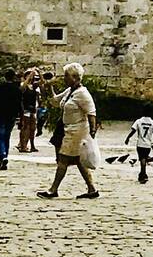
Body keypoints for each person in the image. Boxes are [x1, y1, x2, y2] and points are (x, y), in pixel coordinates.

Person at [37, 62, 99, 199]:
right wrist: (49, 87)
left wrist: (93, 130)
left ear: (75, 77)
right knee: (78, 160)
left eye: (67, 76)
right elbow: (55, 101)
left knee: (63, 160)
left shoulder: (83, 93)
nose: (64, 78)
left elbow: (91, 112)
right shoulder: (70, 91)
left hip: (77, 131)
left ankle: (53, 189)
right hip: (68, 129)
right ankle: (91, 188)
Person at [0, 68, 20, 170]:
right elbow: (19, 103)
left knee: (0, 137)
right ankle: (5, 154)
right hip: (11, 115)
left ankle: (2, 155)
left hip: (0, 115)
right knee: (7, 136)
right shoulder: (16, 89)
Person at [125, 109, 153, 183]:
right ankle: (143, 173)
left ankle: (143, 174)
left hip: (140, 144)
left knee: (142, 159)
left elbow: (133, 131)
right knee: (144, 158)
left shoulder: (138, 121)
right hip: (148, 145)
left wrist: (128, 138)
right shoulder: (152, 122)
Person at [18, 68, 40, 153]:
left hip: (32, 108)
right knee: (25, 127)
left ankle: (32, 145)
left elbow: (42, 83)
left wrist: (39, 73)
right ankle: (23, 145)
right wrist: (29, 76)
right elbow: (22, 88)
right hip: (26, 108)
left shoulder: (34, 86)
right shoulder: (24, 84)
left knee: (33, 128)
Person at [36, 71, 54, 136]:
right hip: (46, 102)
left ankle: (40, 129)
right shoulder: (47, 84)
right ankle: (40, 128)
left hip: (45, 102)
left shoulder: (45, 84)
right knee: (42, 117)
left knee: (41, 118)